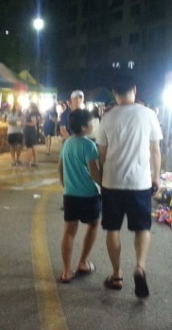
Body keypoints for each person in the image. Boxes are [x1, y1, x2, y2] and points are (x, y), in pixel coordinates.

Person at [96, 73, 162, 298]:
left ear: (114, 93)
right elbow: (155, 150)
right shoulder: (149, 114)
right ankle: (140, 267)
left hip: (112, 182)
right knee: (142, 228)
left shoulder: (107, 118)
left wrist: (102, 177)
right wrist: (156, 177)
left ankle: (116, 275)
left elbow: (101, 154)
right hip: (140, 183)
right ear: (134, 89)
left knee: (112, 229)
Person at [57, 109, 101, 283]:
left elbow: (60, 168)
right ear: (83, 127)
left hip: (70, 195)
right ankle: (82, 262)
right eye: (91, 122)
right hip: (89, 194)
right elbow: (94, 172)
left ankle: (66, 271)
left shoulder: (67, 143)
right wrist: (104, 186)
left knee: (69, 230)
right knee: (93, 224)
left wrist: (65, 185)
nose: (93, 125)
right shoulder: (89, 145)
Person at [6, 102, 24, 166]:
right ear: (15, 106)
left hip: (20, 131)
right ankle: (13, 160)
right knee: (12, 146)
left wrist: (16, 122)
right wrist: (18, 122)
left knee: (19, 146)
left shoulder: (22, 114)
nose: (19, 107)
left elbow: (23, 123)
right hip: (11, 131)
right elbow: (9, 122)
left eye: (19, 106)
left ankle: (18, 158)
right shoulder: (11, 113)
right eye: (17, 106)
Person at [24, 102, 42, 167]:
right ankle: (35, 161)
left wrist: (24, 123)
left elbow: (33, 123)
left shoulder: (32, 114)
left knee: (30, 146)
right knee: (33, 146)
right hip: (32, 131)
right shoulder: (35, 113)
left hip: (30, 131)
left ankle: (28, 161)